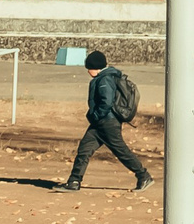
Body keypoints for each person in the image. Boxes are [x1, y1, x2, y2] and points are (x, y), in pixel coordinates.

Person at [63, 49, 150, 191]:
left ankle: (143, 176)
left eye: (89, 68)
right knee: (84, 149)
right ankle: (74, 181)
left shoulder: (104, 79)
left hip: (106, 122)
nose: (88, 72)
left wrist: (95, 115)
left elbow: (106, 101)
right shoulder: (105, 77)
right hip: (100, 123)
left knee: (121, 151)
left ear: (95, 68)